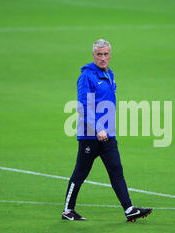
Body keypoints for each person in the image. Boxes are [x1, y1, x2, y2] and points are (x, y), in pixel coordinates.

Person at [62, 39, 152, 222]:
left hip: (108, 135)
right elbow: (84, 106)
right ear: (93, 56)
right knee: (80, 172)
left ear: (110, 55)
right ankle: (67, 211)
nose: (103, 58)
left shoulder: (109, 74)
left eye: (106, 54)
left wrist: (106, 129)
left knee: (116, 170)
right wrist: (97, 128)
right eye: (99, 54)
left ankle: (129, 210)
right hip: (90, 135)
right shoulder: (87, 76)